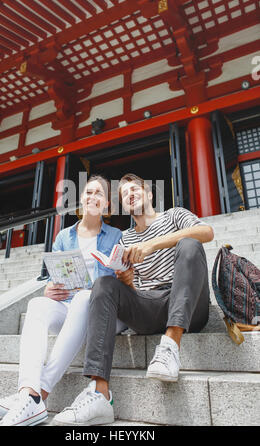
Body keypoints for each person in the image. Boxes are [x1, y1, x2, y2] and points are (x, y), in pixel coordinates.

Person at [53, 173, 214, 426]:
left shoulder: (174, 215)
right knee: (104, 284)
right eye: (124, 194)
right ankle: (99, 393)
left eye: (135, 190)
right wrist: (126, 280)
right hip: (151, 305)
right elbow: (135, 289)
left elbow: (206, 231)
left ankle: (170, 347)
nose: (130, 194)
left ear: (149, 194)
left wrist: (152, 244)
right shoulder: (125, 238)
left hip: (190, 304)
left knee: (190, 243)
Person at [0, 175, 126, 426]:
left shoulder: (116, 235)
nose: (93, 197)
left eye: (100, 194)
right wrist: (50, 288)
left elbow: (115, 278)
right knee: (36, 305)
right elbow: (56, 274)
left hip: (98, 310)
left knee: (86, 296)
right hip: (69, 305)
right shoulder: (64, 236)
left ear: (107, 205)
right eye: (89, 192)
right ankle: (28, 390)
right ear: (82, 198)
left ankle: (38, 396)